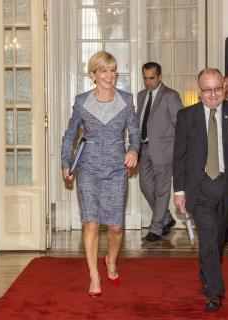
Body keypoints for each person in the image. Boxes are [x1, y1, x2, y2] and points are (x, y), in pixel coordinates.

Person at [173, 68, 228, 311]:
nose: (213, 95)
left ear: (224, 88)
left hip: (227, 185)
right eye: (207, 90)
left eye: (218, 89)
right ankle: (215, 292)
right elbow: (179, 157)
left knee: (217, 240)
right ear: (199, 92)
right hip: (199, 187)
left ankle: (206, 272)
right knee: (208, 237)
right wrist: (179, 191)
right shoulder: (186, 117)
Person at [61, 51, 141, 297]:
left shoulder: (126, 101)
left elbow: (135, 134)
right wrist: (66, 162)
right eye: (104, 71)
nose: (110, 75)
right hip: (88, 168)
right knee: (91, 223)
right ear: (93, 75)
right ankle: (94, 276)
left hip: (117, 169)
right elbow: (69, 134)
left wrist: (133, 150)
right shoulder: (82, 101)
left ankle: (111, 260)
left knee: (116, 227)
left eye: (113, 70)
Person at [137, 62, 184, 243]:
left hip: (164, 151)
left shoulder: (170, 96)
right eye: (145, 78)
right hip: (144, 148)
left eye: (152, 78)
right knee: (145, 186)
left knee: (162, 190)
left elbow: (180, 124)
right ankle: (166, 218)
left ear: (159, 77)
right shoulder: (141, 96)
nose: (148, 82)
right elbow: (139, 121)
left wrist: (178, 150)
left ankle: (156, 228)